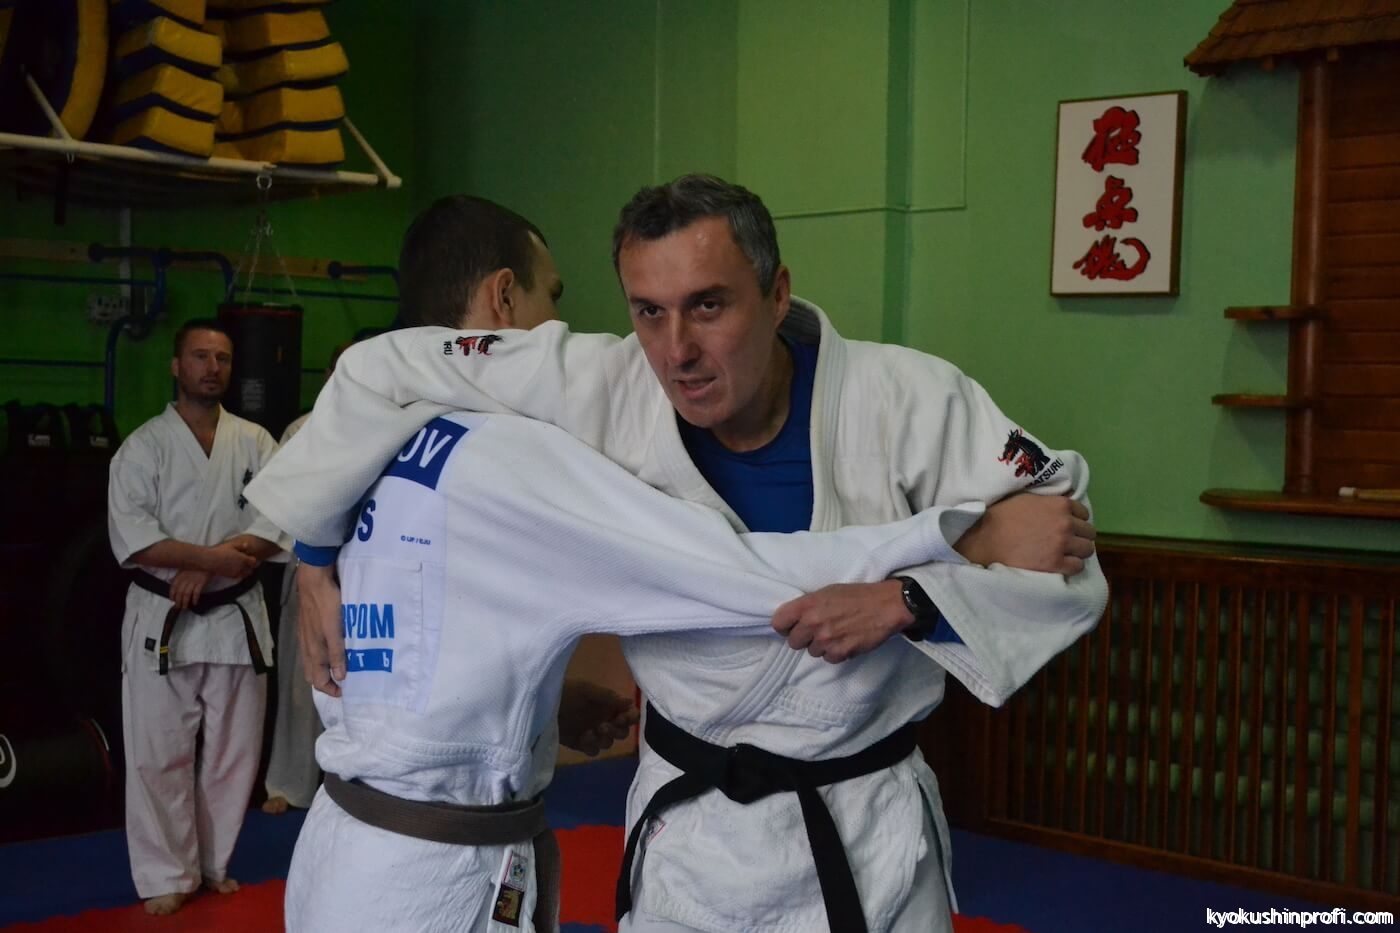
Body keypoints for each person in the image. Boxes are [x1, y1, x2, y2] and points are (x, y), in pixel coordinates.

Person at [250, 175, 1107, 933]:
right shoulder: (599, 381)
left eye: (708, 305)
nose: (676, 350)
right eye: (647, 311)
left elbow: (1058, 534)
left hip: (861, 829)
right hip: (691, 836)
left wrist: (909, 599)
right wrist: (315, 552)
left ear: (777, 293)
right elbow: (378, 366)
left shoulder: (907, 398)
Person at [107, 319, 289, 915]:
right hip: (164, 616)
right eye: (200, 356)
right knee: (158, 751)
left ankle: (212, 863)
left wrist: (206, 570)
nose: (212, 367)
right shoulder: (143, 448)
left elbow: (280, 520)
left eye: (223, 358)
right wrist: (210, 560)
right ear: (176, 366)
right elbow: (135, 540)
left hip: (235, 615)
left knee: (235, 752)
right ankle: (167, 873)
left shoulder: (255, 441)